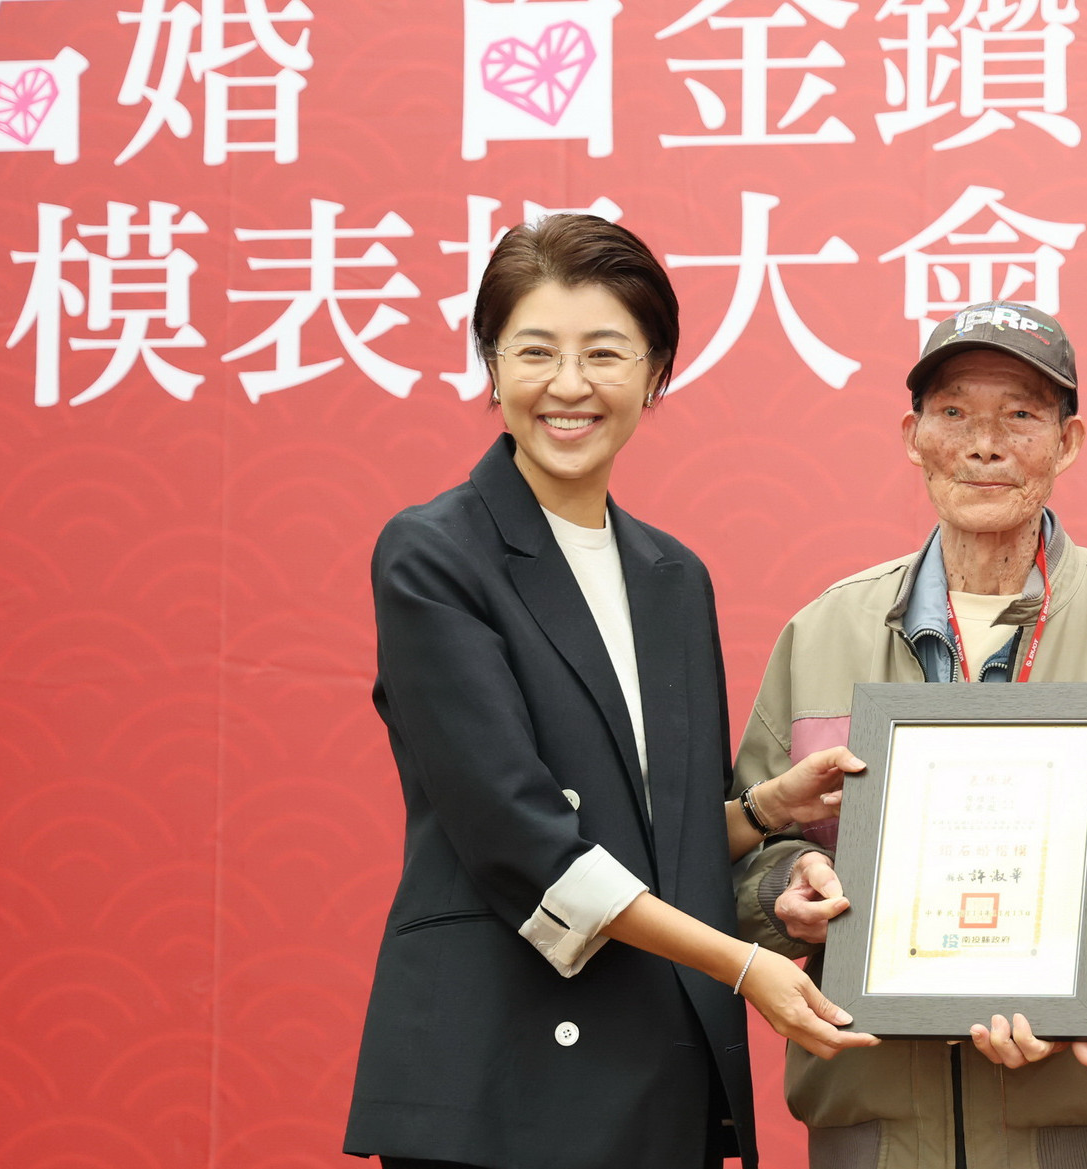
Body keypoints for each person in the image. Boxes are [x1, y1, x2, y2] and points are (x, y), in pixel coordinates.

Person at [342, 214, 876, 1169]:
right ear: (492, 365)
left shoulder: (673, 577)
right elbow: (524, 839)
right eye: (534, 351)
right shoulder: (434, 555)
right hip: (496, 1082)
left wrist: (762, 811)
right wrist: (744, 965)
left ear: (655, 371)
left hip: (654, 1069)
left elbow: (648, 840)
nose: (568, 384)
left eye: (604, 352)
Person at [730, 301, 1087, 1168]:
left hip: (1068, 1121)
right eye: (955, 412)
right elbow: (746, 841)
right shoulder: (822, 633)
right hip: (871, 1126)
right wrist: (783, 892)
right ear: (912, 436)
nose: (985, 445)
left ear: (1068, 442)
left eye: (1021, 415)